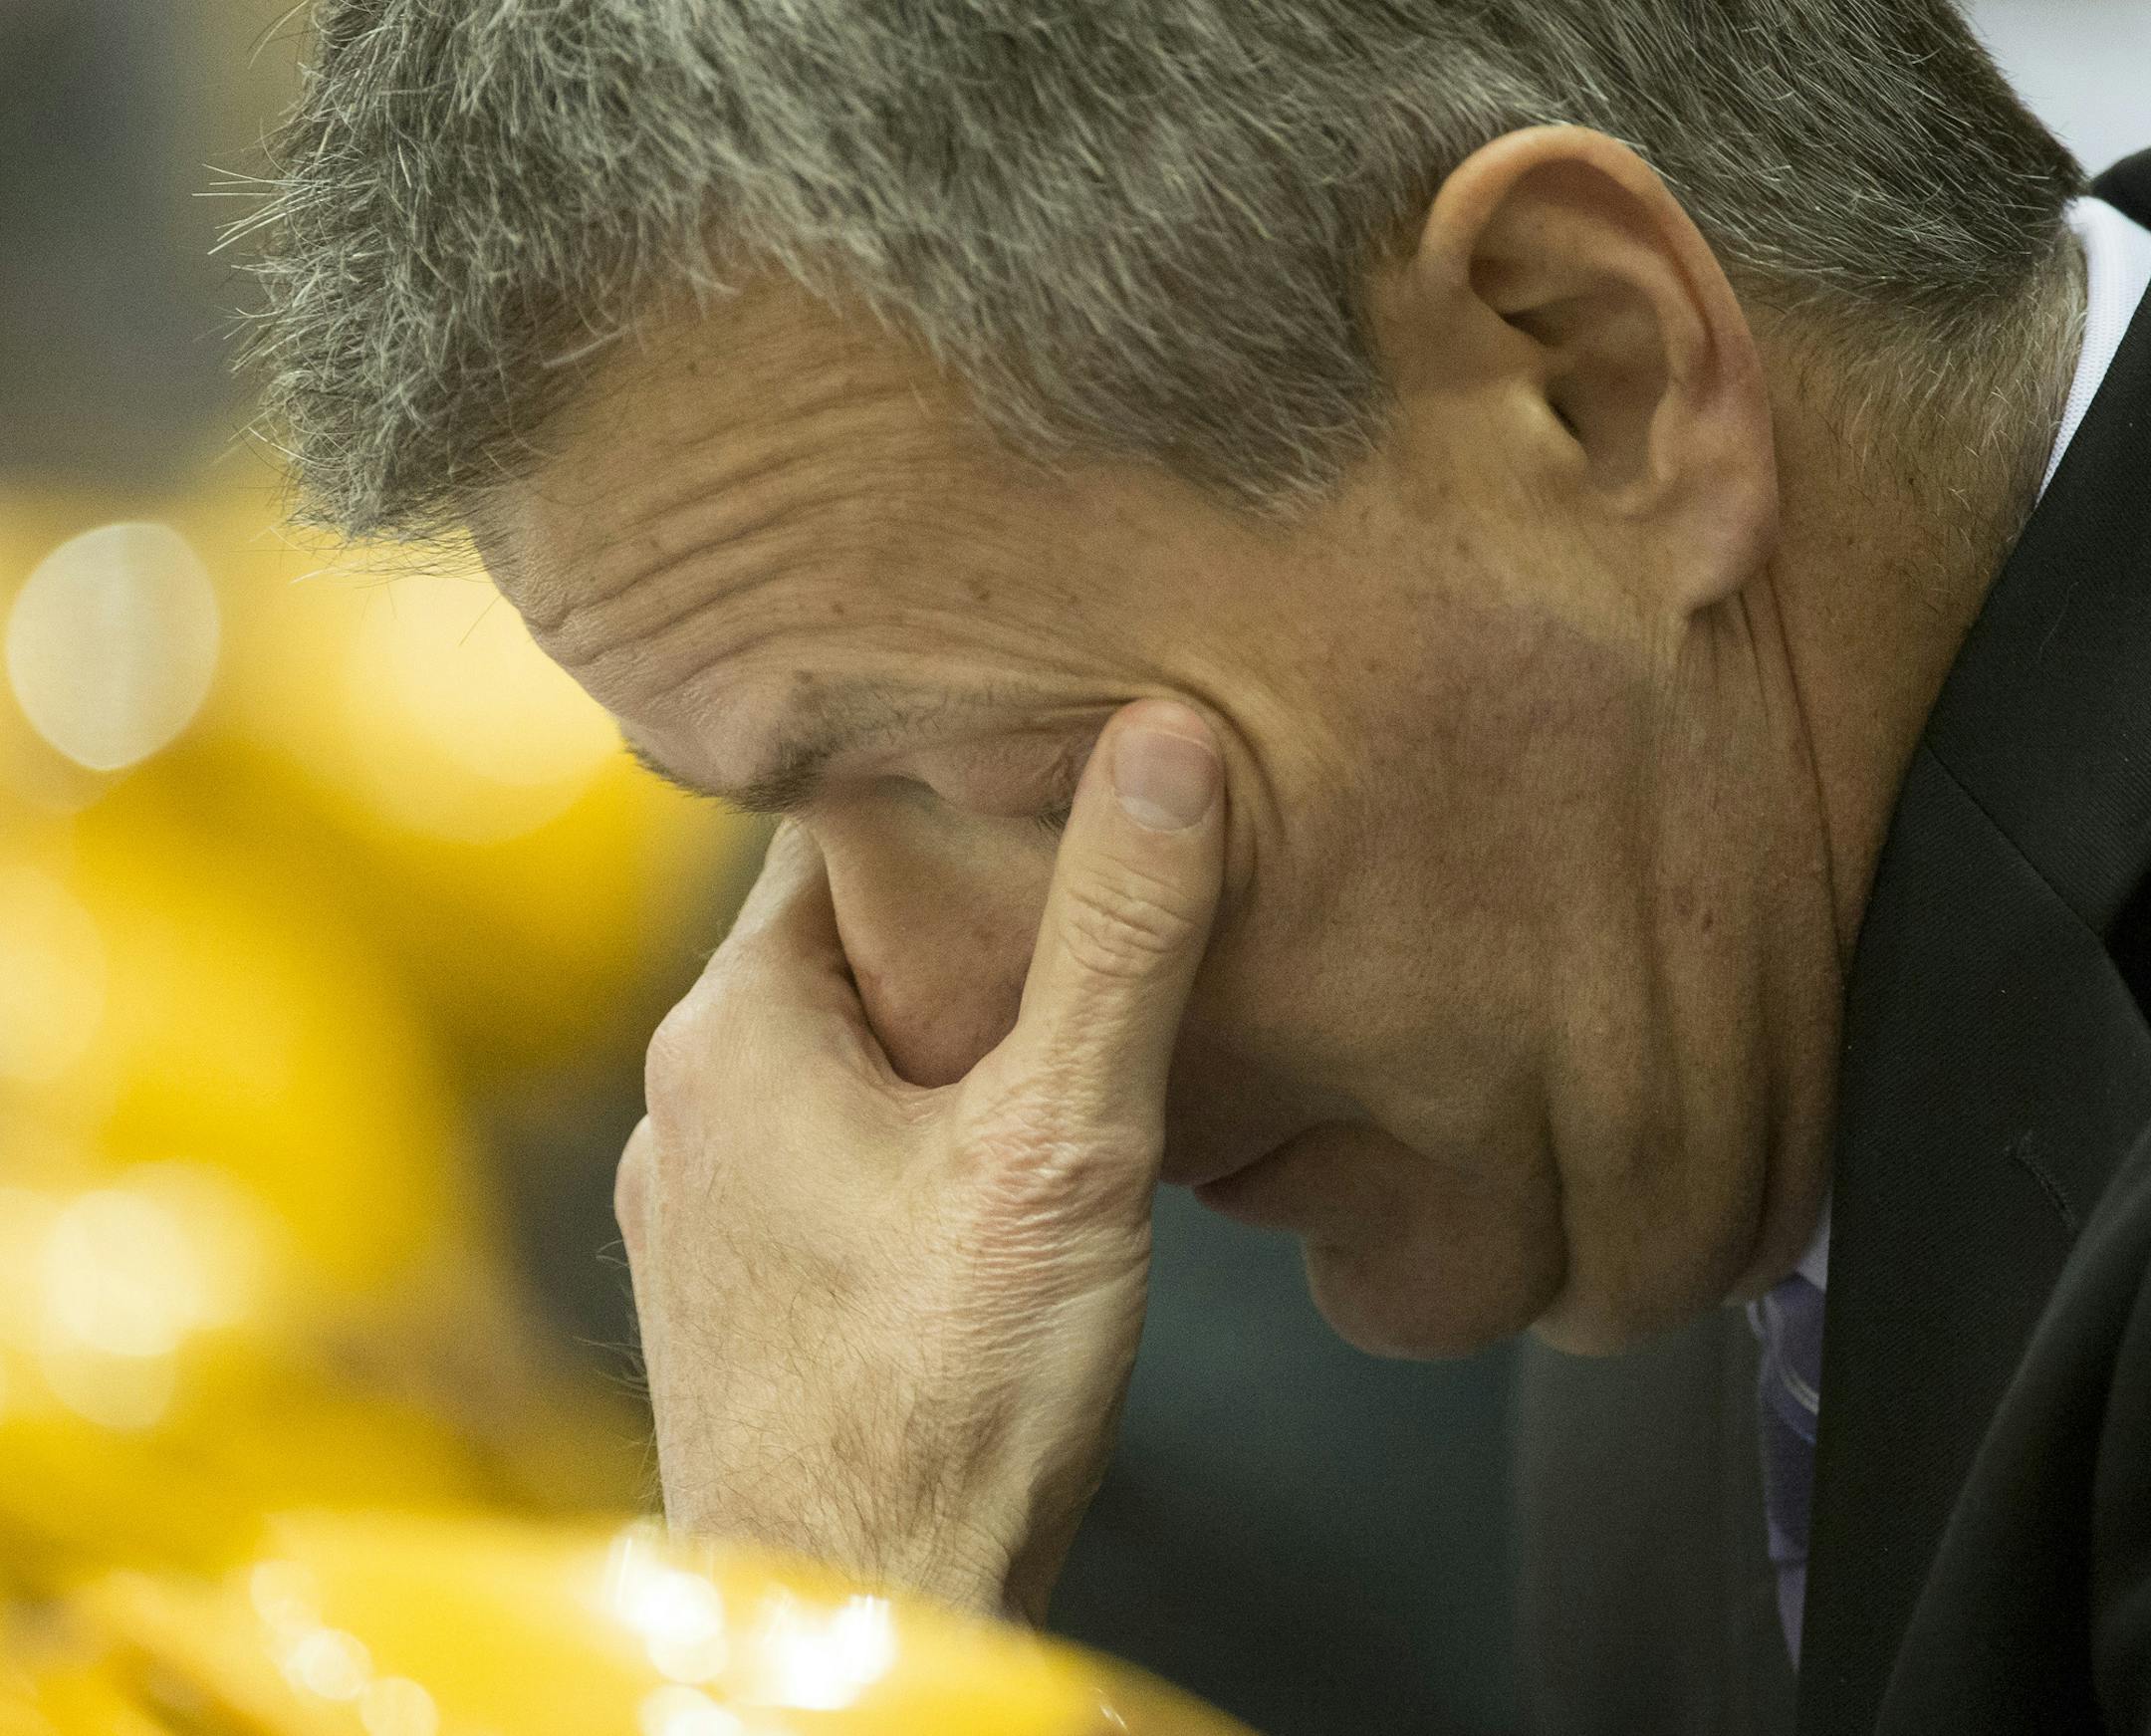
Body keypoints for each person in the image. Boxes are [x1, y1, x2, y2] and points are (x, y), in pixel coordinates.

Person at [242, 4, 2151, 1729]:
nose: (927, 1051)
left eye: (1036, 782)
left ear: (1598, 376)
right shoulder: (1677, 980)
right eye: (782, 838)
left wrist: (824, 1643)